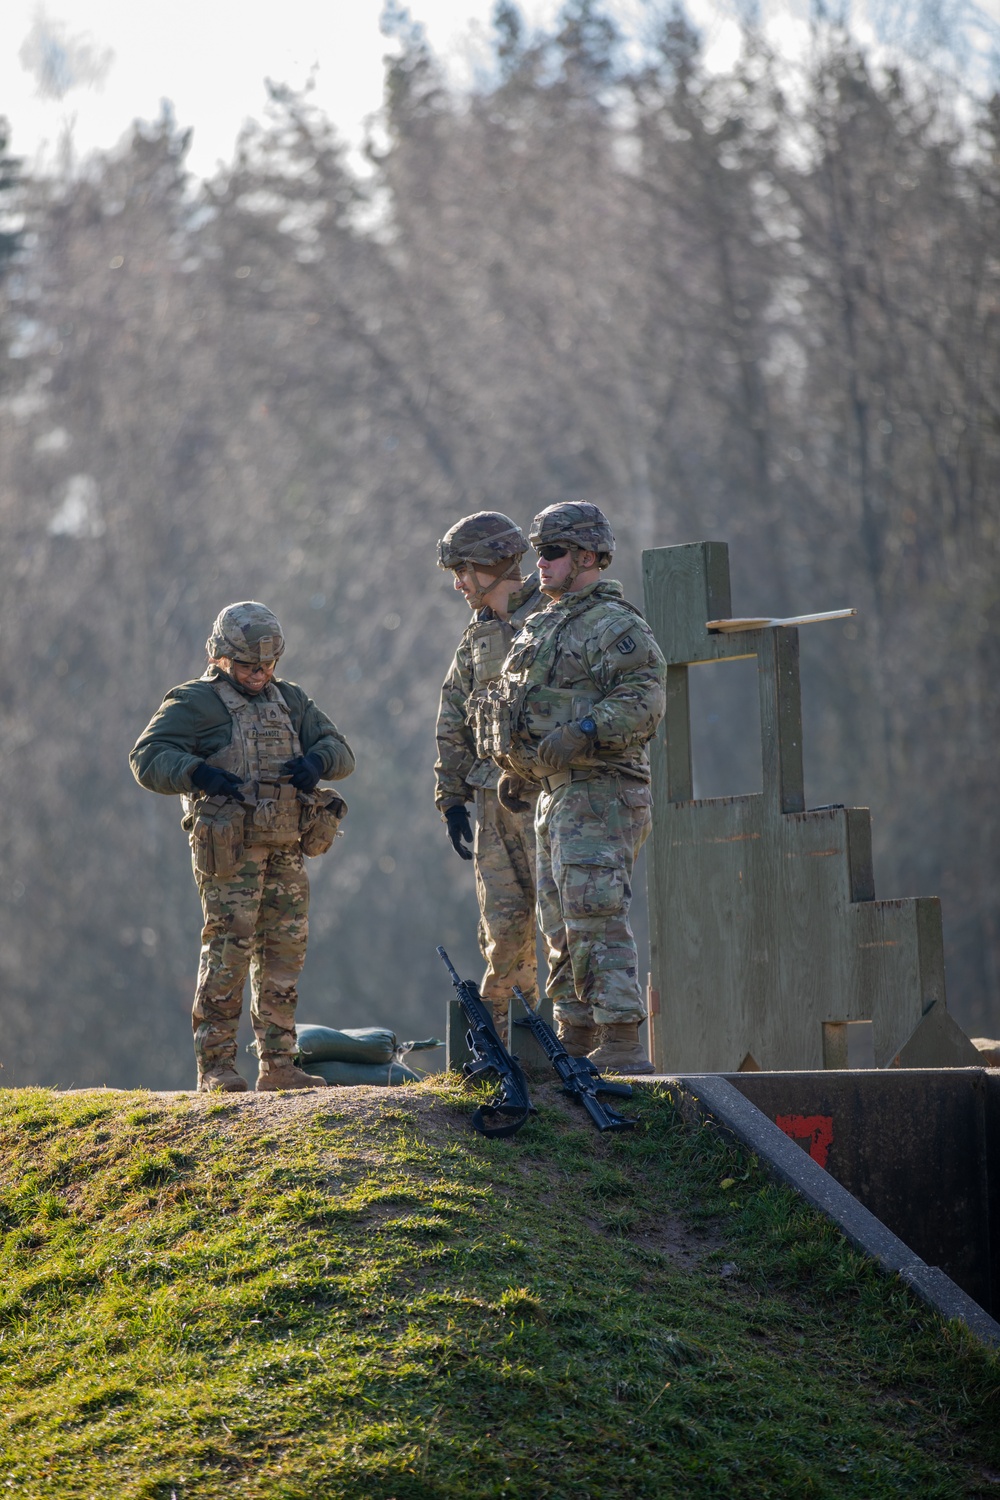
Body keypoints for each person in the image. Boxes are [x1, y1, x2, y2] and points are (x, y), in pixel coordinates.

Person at [130, 602, 355, 1093]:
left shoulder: (291, 700)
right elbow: (147, 757)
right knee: (228, 955)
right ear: (222, 659)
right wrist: (197, 772)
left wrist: (317, 762)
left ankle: (279, 1065)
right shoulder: (194, 702)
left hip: (286, 848)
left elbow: (342, 752)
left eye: (269, 664)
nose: (261, 674)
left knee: (283, 956)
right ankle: (216, 1069)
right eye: (251, 665)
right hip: (231, 854)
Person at [486, 503, 667, 1073]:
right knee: (559, 917)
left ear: (586, 557)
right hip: (554, 793)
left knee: (595, 910)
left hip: (602, 789)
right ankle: (578, 1030)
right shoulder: (545, 621)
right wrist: (519, 770)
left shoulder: (614, 625)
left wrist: (585, 730)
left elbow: (646, 697)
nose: (539, 563)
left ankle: (620, 1037)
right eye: (538, 552)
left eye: (553, 552)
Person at [434, 512, 545, 1039]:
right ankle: (503, 1049)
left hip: (546, 796)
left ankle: (569, 1046)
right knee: (503, 930)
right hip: (489, 800)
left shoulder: (552, 620)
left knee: (563, 927)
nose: (458, 584)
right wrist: (451, 799)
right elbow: (453, 715)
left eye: (463, 571)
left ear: (491, 565)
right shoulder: (477, 634)